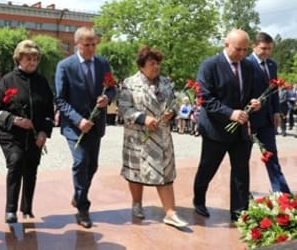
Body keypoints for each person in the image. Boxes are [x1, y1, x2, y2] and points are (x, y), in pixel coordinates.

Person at [192, 29, 261, 221]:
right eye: (238, 49)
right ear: (226, 45)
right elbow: (204, 97)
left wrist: (254, 102)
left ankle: (239, 211)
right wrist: (230, 113)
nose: (241, 54)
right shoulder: (210, 65)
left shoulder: (248, 66)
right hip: (215, 129)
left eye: (245, 50)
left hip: (240, 131)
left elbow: (251, 92)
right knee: (208, 168)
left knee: (241, 171)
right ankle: (198, 199)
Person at [117, 46, 188, 228]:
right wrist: (143, 118)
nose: (156, 67)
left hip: (162, 136)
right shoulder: (129, 83)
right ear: (142, 66)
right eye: (152, 63)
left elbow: (174, 104)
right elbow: (124, 108)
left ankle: (170, 213)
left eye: (158, 63)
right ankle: (137, 203)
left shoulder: (165, 83)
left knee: (165, 174)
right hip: (138, 137)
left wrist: (171, 112)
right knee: (136, 173)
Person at [55, 26, 116, 228]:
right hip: (75, 127)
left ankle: (78, 195)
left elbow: (112, 88)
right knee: (81, 162)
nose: (91, 48)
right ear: (77, 45)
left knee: (92, 166)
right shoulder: (65, 66)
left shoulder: (103, 64)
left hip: (96, 125)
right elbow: (60, 100)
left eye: (94, 44)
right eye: (87, 44)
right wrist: (78, 120)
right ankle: (83, 208)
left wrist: (107, 98)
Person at [0, 40, 54, 224]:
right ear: (18, 58)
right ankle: (10, 210)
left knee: (31, 167)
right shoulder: (6, 80)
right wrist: (14, 120)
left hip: (34, 135)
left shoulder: (42, 82)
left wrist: (44, 132)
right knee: (16, 162)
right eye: (28, 59)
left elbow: (48, 112)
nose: (32, 62)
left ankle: (27, 208)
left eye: (35, 59)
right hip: (12, 134)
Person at [247, 32, 291, 193]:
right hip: (249, 120)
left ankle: (282, 194)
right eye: (263, 48)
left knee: (272, 156)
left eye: (269, 49)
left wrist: (277, 112)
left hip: (267, 120)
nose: (267, 52)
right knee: (242, 160)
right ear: (254, 46)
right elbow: (241, 91)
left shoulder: (272, 65)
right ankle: (243, 195)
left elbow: (274, 89)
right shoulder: (246, 63)